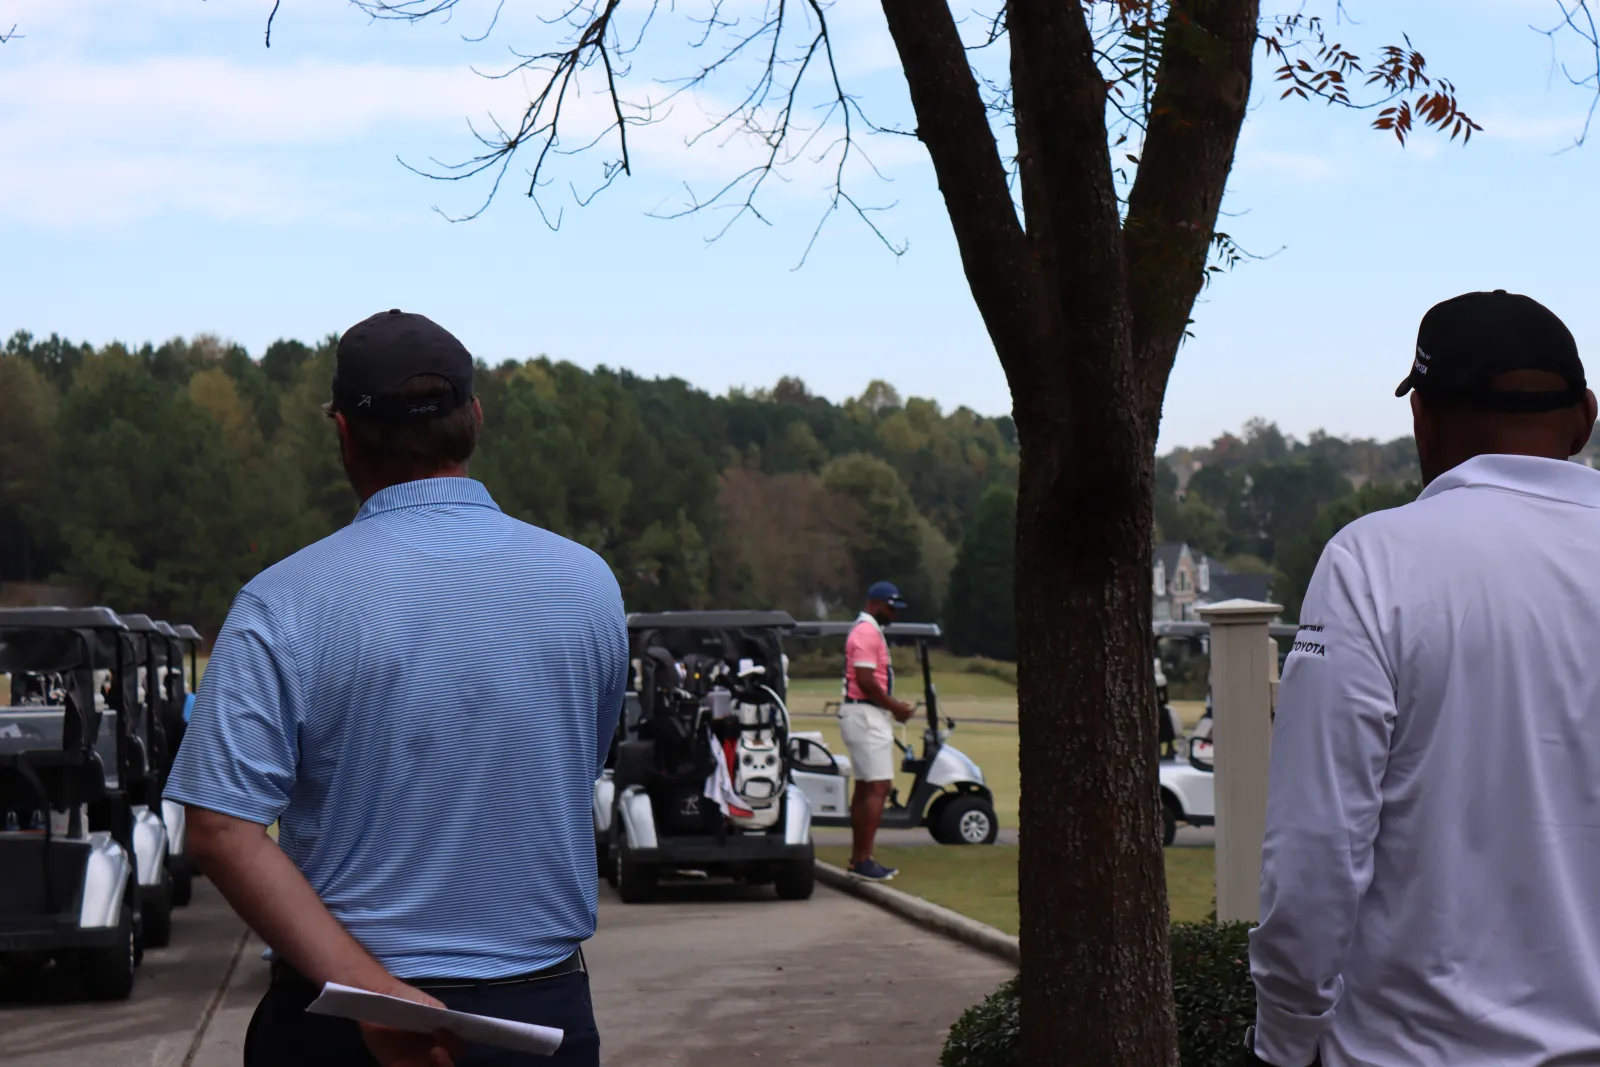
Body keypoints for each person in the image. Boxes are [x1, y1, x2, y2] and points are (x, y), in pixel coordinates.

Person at [164, 310, 627, 1067]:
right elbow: (577, 763)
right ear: (474, 419)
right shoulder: (590, 586)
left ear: (344, 434)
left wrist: (371, 989)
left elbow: (221, 829)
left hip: (343, 1013)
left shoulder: (283, 600)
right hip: (538, 1017)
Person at [1247, 290, 1600, 1067]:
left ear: (1424, 420)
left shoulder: (1373, 562)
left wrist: (1281, 1041)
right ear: (1584, 416)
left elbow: (1316, 850)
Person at [837, 581, 916, 881]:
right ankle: (863, 860)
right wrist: (895, 707)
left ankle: (859, 858)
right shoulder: (868, 631)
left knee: (866, 786)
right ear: (877, 603)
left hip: (862, 713)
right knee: (878, 787)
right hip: (866, 714)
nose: (893, 615)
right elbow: (866, 680)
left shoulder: (866, 629)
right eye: (891, 608)